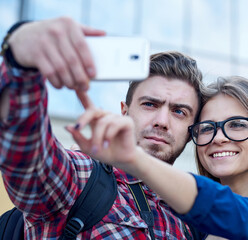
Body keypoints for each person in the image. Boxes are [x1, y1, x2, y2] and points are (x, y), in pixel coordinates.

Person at [0, 17, 204, 239]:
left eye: (179, 111)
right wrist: (19, 57)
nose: (162, 121)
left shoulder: (192, 219)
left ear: (192, 129)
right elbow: (28, 160)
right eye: (149, 104)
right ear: (124, 111)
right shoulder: (82, 178)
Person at [68, 76, 248, 239]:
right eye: (207, 128)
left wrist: (135, 159)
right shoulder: (183, 226)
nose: (218, 138)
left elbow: (238, 215)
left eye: (236, 125)